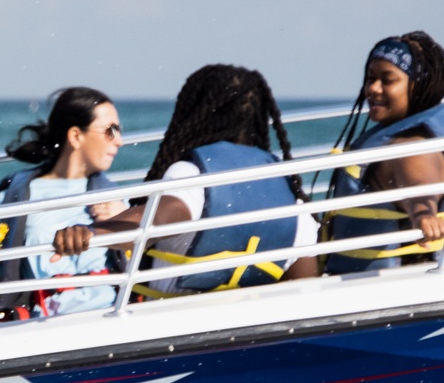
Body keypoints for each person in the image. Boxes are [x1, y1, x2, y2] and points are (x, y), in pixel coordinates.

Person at [132, 64, 318, 296]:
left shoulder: (187, 176)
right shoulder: (292, 199)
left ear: (195, 115)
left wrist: (89, 232)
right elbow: (305, 287)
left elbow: (145, 225)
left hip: (168, 321)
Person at [321, 31, 444, 273]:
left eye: (387, 80)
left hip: (388, 286)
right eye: (370, 78)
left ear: (418, 85)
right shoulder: (411, 135)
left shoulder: (410, 147)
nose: (373, 88)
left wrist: (424, 215)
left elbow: (418, 182)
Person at [0, 86, 133, 317]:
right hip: (44, 323)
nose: (119, 141)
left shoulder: (117, 201)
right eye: (110, 131)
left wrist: (125, 219)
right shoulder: (11, 200)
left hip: (112, 314)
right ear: (76, 136)